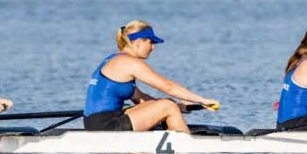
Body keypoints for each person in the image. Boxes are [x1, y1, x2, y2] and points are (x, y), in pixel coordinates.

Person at [83, 20, 220, 132]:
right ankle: (188, 150)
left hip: (97, 121)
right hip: (104, 125)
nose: (153, 47)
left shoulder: (114, 59)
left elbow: (140, 98)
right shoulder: (128, 62)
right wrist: (202, 100)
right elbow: (168, 87)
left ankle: (175, 140)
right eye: (151, 42)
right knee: (167, 106)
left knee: (168, 105)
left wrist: (178, 106)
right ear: (138, 42)